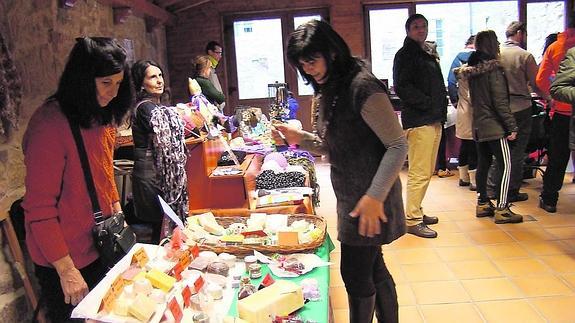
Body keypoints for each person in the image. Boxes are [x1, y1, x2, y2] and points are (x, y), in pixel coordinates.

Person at [274, 19, 407, 323]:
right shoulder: (329, 88)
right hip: (353, 196)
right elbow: (332, 145)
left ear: (332, 52)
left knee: (356, 273)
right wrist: (301, 139)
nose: (307, 69)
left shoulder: (362, 86)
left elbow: (398, 146)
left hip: (372, 198)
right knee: (373, 268)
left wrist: (374, 197)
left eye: (311, 60)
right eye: (301, 64)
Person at [21, 37, 133, 322]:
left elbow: (104, 173)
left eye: (119, 84)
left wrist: (119, 213)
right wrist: (66, 270)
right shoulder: (50, 124)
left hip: (100, 242)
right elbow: (39, 208)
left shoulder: (102, 115)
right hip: (64, 258)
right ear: (83, 79)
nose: (113, 93)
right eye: (106, 82)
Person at [460, 30, 522, 224]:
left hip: (479, 124)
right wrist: (511, 126)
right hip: (494, 125)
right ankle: (502, 208)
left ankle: (483, 202)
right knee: (506, 164)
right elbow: (500, 102)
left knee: (483, 163)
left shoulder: (473, 70)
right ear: (492, 45)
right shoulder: (493, 70)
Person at [393, 13, 446, 238]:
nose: (421, 30)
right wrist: (428, 104)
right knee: (419, 172)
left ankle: (417, 210)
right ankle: (412, 220)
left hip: (433, 118)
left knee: (427, 171)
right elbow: (402, 87)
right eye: (416, 27)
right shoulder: (406, 55)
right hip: (419, 120)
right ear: (408, 30)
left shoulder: (426, 53)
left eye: (423, 26)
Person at [486, 21, 545, 203]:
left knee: (499, 150)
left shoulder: (496, 54)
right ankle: (511, 190)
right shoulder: (525, 56)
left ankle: (492, 188)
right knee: (518, 150)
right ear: (520, 33)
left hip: (498, 108)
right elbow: (536, 84)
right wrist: (547, 97)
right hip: (520, 107)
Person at [131, 60, 188, 243]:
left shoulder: (156, 107)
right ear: (141, 83)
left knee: (164, 226)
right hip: (149, 176)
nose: (159, 81)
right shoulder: (145, 108)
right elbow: (168, 127)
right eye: (152, 77)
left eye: (160, 75)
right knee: (159, 227)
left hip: (159, 174)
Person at [536, 13, 575, 212]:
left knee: (558, 156)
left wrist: (551, 99)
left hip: (562, 111)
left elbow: (541, 79)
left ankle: (549, 198)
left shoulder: (555, 47)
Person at [449, 35, 478, 190]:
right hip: (474, 110)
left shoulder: (457, 61)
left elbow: (451, 83)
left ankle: (463, 177)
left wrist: (455, 102)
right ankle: (474, 180)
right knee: (474, 145)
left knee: (464, 144)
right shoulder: (478, 61)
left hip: (462, 108)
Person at [205, 40, 225, 111]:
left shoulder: (212, 66)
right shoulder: (207, 67)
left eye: (221, 53)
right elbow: (212, 87)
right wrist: (220, 103)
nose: (220, 56)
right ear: (210, 52)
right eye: (218, 53)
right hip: (214, 107)